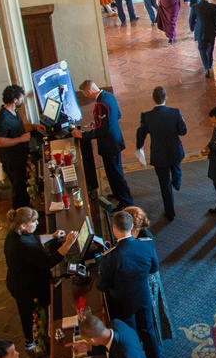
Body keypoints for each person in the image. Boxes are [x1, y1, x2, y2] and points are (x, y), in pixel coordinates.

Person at [97, 211, 162, 358]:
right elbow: (154, 268)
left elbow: (102, 286)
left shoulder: (109, 258)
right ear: (132, 226)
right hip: (143, 298)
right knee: (149, 334)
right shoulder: (147, 244)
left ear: (114, 229)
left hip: (122, 305)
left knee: (131, 340)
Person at [4, 207, 77, 349]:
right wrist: (68, 243)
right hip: (25, 286)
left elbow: (35, 239)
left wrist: (52, 236)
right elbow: (49, 261)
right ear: (23, 225)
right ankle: (31, 341)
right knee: (28, 313)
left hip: (23, 279)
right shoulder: (23, 245)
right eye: (34, 221)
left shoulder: (15, 233)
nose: (37, 223)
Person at [73, 80, 132, 210]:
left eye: (85, 95)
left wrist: (82, 135)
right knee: (114, 172)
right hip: (115, 140)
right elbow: (117, 115)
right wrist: (100, 122)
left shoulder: (101, 104)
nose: (86, 97)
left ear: (89, 91)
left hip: (109, 144)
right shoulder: (109, 96)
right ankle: (119, 193)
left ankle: (125, 201)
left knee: (115, 173)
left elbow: (103, 131)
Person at [135, 86, 187, 221]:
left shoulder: (147, 116)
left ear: (153, 99)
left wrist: (139, 146)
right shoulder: (175, 113)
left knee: (164, 183)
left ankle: (170, 212)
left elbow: (141, 134)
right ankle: (177, 181)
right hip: (175, 150)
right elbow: (183, 131)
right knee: (176, 167)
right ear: (167, 98)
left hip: (159, 154)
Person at [123, 206, 173, 342]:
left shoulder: (145, 237)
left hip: (148, 279)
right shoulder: (135, 234)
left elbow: (152, 265)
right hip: (143, 277)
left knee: (152, 310)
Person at [0, 84, 38, 209]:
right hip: (12, 160)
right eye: (20, 98)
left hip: (19, 157)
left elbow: (18, 127)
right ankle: (19, 217)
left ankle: (28, 213)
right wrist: (21, 139)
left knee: (22, 187)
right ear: (15, 100)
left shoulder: (13, 111)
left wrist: (33, 126)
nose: (21, 100)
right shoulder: (2, 119)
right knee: (18, 190)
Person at [73, 313, 155, 358]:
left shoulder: (126, 356)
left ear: (93, 339)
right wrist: (89, 347)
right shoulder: (114, 323)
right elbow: (109, 346)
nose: (87, 342)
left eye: (87, 340)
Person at [188, 0, 216, 78]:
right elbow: (215, 20)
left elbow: (191, 20)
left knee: (202, 49)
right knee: (210, 48)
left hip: (200, 31)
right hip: (211, 30)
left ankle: (206, 67)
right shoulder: (213, 6)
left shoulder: (194, 7)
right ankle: (210, 63)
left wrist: (192, 28)